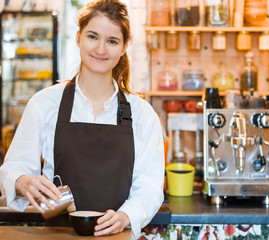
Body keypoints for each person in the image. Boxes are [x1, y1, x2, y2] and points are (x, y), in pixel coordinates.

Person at [0, 0, 165, 238]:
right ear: (78, 38)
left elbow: (149, 186)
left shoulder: (142, 113)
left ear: (124, 46)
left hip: (116, 235)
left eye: (112, 41)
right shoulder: (45, 103)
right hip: (58, 234)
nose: (100, 49)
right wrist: (23, 181)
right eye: (92, 37)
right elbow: (13, 167)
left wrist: (125, 216)